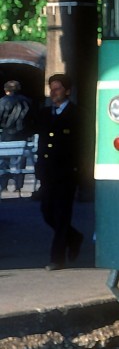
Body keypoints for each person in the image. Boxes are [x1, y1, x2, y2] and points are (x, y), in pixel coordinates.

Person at [36, 73, 82, 270]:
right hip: (47, 172)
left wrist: (80, 171)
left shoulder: (77, 114)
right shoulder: (45, 113)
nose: (53, 93)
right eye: (51, 89)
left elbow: (83, 144)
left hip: (66, 172)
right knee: (47, 211)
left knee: (62, 215)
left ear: (68, 91)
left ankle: (57, 258)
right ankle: (74, 236)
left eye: (57, 89)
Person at [0, 79, 31, 194]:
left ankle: (3, 185)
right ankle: (18, 185)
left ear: (6, 90)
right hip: (22, 137)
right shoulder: (27, 102)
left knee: (3, 160)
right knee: (20, 161)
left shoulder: (2, 102)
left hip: (6, 136)